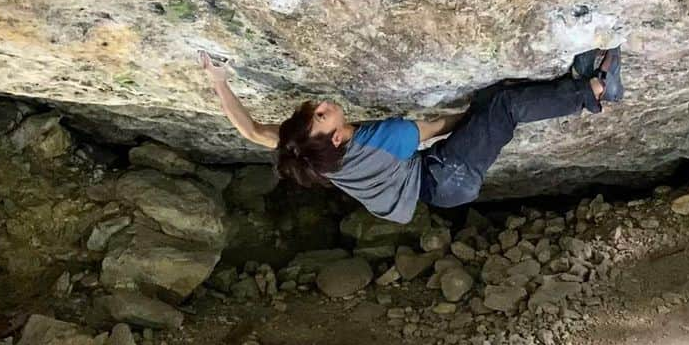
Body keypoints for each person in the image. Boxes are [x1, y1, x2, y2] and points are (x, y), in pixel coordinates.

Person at [199, 48, 624, 223]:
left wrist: (218, 81)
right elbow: (440, 127)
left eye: (314, 110)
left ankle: (573, 84)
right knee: (502, 106)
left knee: (499, 101)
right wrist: (479, 112)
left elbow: (253, 130)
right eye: (322, 115)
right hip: (448, 176)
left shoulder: (309, 154)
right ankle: (596, 89)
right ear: (334, 138)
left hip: (430, 185)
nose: (321, 105)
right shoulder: (385, 140)